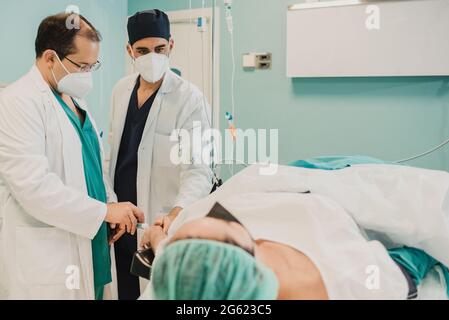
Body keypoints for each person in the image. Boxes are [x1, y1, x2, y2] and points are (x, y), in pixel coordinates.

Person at [142, 163, 449, 300]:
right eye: (223, 223)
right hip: (331, 193)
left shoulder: (190, 279)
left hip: (284, 181)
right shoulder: (355, 279)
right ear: (253, 240)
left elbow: (172, 254)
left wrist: (158, 234)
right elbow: (420, 248)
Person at [0, 13, 144, 300]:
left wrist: (109, 205)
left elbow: (92, 166)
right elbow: (33, 188)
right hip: (50, 255)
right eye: (82, 66)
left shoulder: (75, 100)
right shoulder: (17, 102)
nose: (87, 75)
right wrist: (102, 212)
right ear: (50, 58)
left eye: (93, 66)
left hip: (91, 242)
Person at [108, 9, 213, 300]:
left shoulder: (190, 99)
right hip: (120, 220)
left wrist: (178, 211)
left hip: (159, 220)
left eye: (159, 49)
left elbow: (198, 168)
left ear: (171, 46)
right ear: (129, 50)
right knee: (123, 291)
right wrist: (109, 201)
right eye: (142, 50)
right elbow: (111, 154)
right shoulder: (120, 91)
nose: (151, 56)